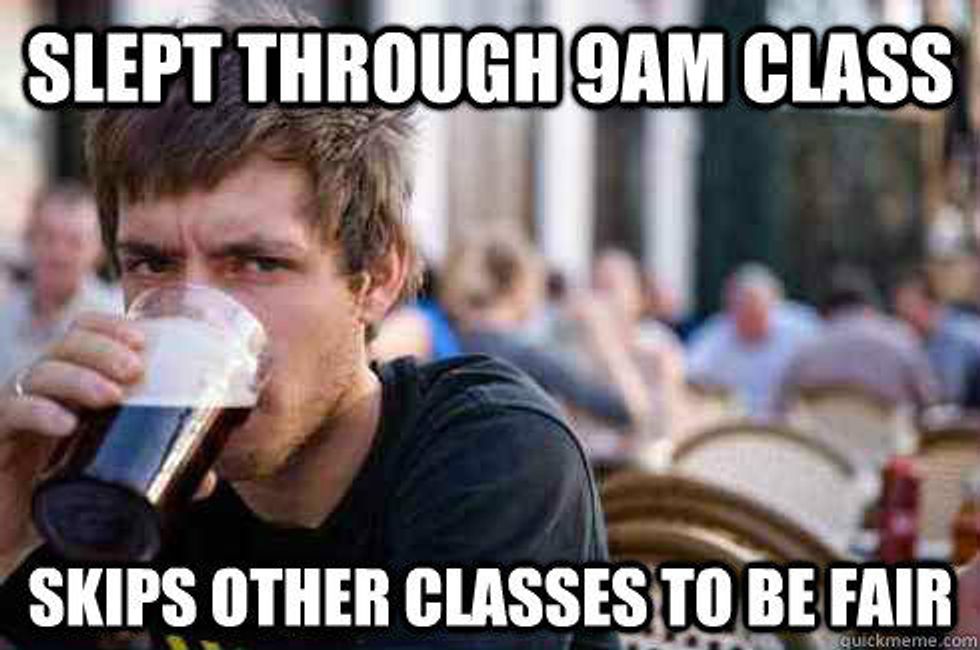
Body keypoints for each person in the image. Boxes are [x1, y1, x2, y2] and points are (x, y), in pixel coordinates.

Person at [0, 6, 619, 650]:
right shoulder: (135, 486)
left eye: (257, 263)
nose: (194, 316)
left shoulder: (495, 456)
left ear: (376, 277)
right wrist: (6, 551)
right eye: (152, 264)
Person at [0, 183, 118, 383]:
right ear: (29, 237)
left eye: (75, 242)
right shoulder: (5, 315)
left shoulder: (115, 321)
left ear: (98, 251)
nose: (59, 253)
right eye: (48, 237)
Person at [776, 266, 939, 411]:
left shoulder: (807, 349)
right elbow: (929, 403)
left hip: (822, 435)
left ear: (826, 312)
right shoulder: (900, 338)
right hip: (887, 435)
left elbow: (782, 409)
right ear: (870, 305)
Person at [686, 263, 819, 416]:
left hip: (791, 419)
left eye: (755, 307)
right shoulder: (715, 333)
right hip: (733, 421)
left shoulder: (802, 328)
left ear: (775, 304)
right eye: (740, 307)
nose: (748, 314)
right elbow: (691, 374)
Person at [892, 266, 980, 405]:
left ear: (929, 304)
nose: (903, 319)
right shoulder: (935, 339)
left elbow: (951, 396)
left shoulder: (955, 338)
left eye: (908, 308)